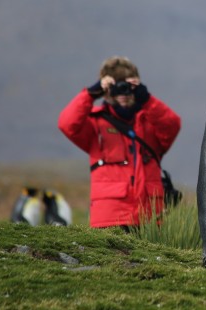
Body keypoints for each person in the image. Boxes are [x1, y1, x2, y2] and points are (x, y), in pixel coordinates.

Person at [58, 56, 181, 230]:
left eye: (127, 87)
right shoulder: (95, 124)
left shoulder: (151, 122)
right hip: (110, 219)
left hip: (151, 220)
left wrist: (147, 99)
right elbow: (67, 123)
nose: (122, 94)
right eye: (116, 87)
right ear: (106, 89)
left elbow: (172, 125)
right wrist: (91, 93)